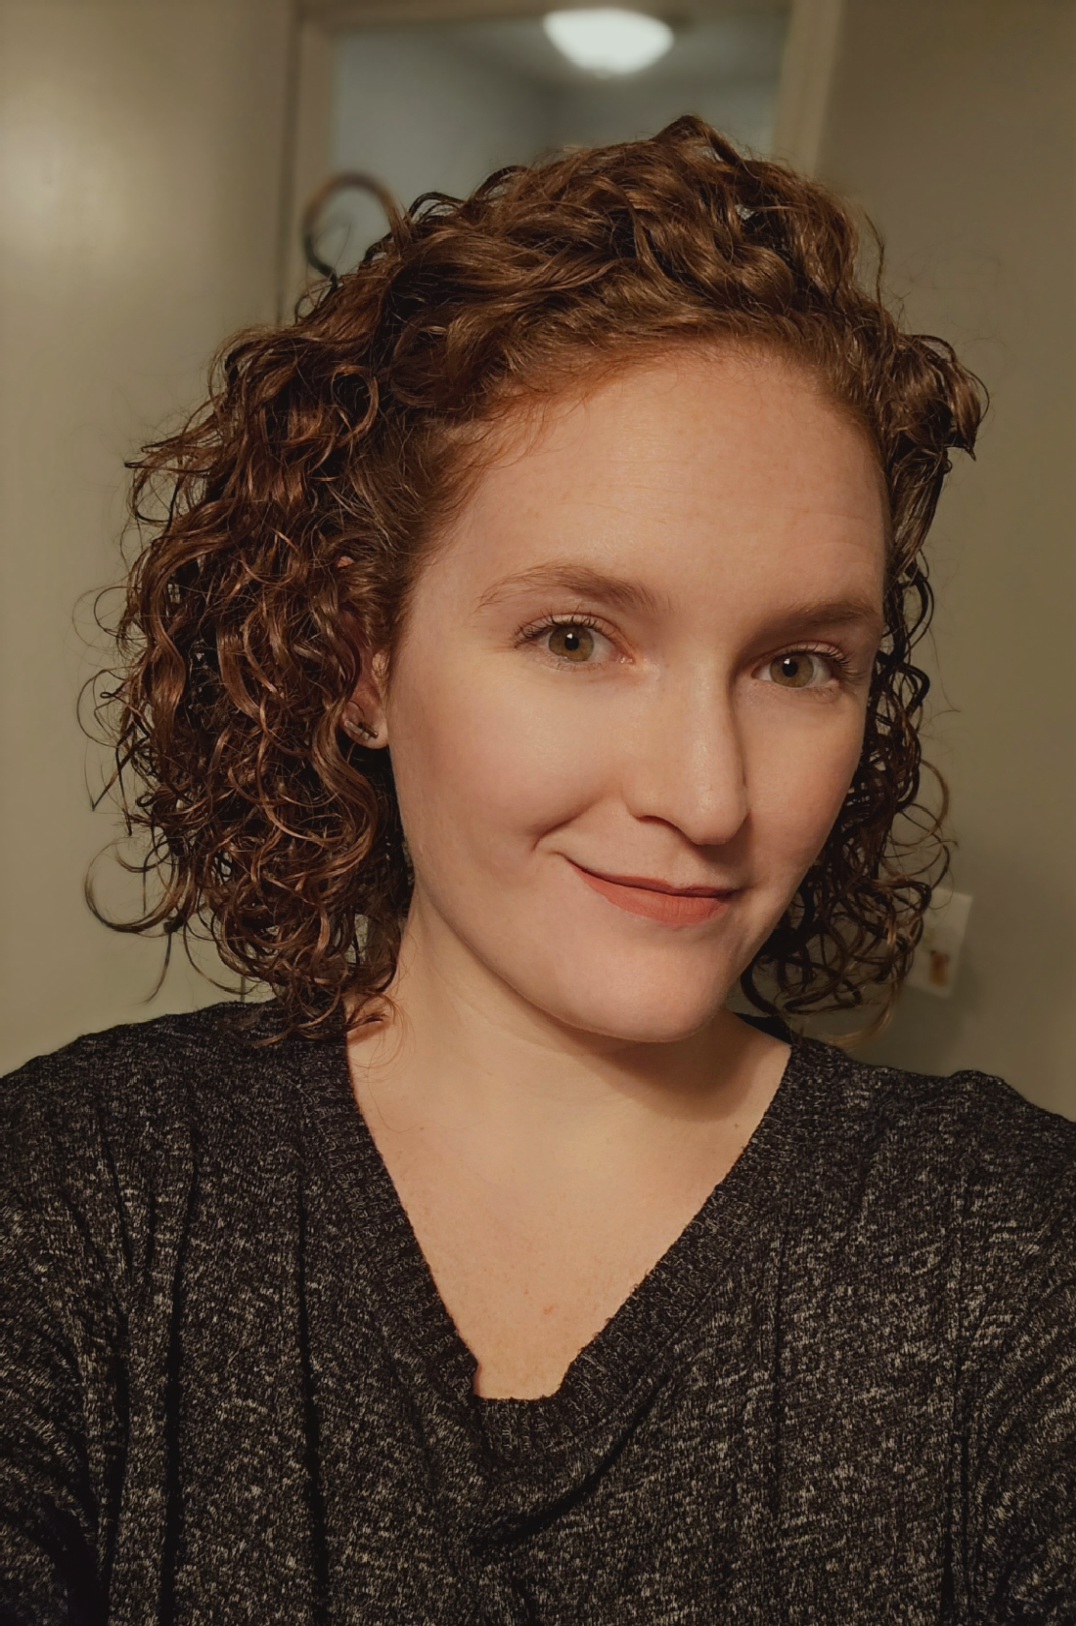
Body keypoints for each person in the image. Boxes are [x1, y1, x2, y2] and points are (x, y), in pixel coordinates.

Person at [1, 114, 1073, 1624]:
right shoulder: (77, 1204)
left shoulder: (1009, 1255)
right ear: (363, 656)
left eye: (798, 664)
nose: (707, 795)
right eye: (576, 637)